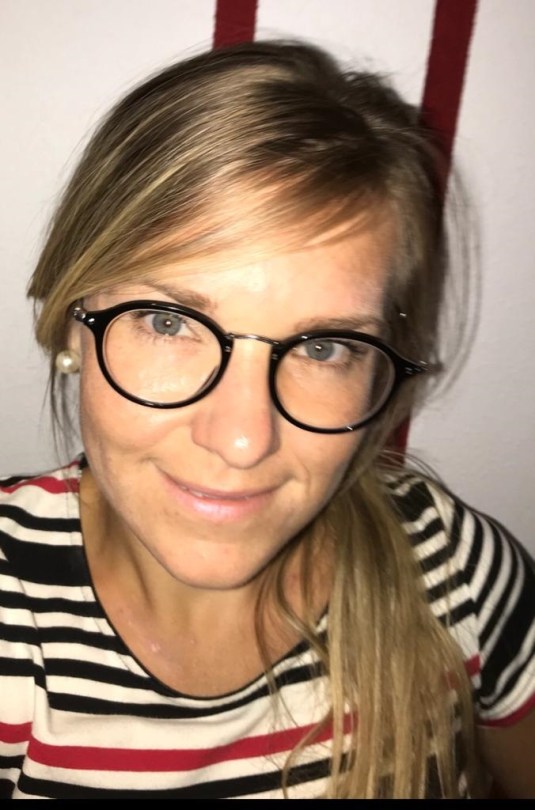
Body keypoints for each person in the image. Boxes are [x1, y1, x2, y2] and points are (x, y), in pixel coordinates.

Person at [0, 40, 533, 800]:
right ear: (71, 325)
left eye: (323, 347)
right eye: (168, 322)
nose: (244, 440)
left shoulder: (454, 569)